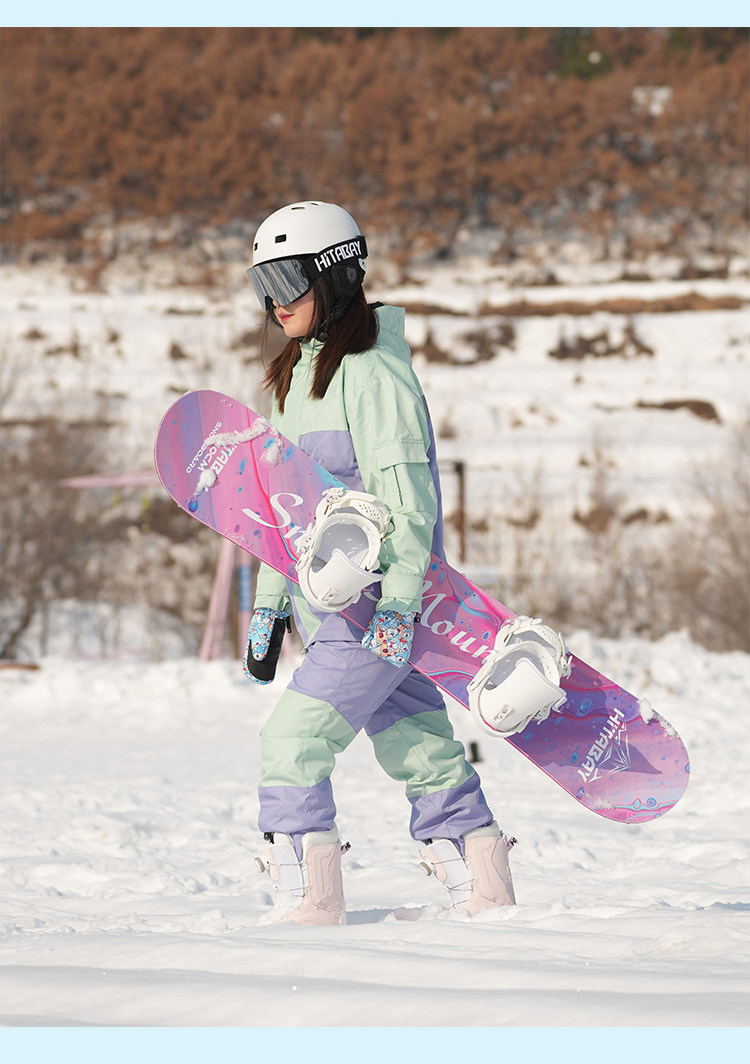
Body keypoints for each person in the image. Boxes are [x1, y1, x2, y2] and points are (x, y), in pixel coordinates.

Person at [244, 200, 516, 925]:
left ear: (334, 275)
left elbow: (409, 502)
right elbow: (283, 514)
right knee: (418, 745)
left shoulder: (372, 373)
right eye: (262, 284)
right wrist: (270, 606)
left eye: (286, 280)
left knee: (292, 740)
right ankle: (485, 890)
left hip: (374, 613)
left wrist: (398, 603)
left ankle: (309, 899)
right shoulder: (296, 380)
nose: (275, 302)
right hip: (333, 612)